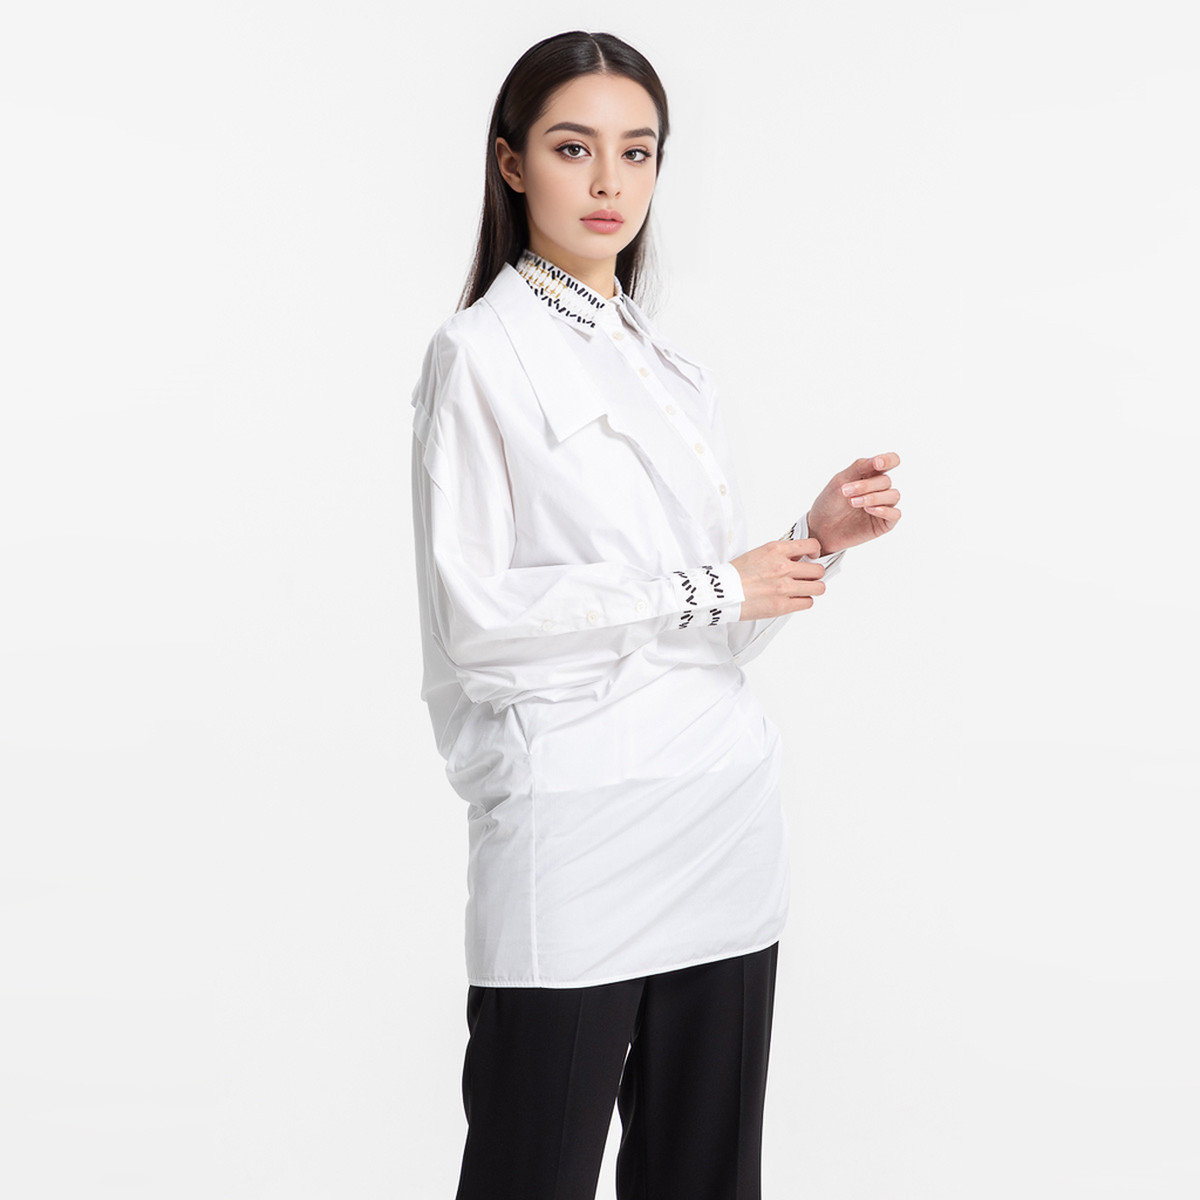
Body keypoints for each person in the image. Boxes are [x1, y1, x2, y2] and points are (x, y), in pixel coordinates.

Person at [410, 29, 902, 1200]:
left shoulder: (671, 370)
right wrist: (712, 585)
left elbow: (710, 637)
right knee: (529, 1175)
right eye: (573, 147)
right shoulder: (478, 356)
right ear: (512, 162)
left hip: (722, 822)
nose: (609, 182)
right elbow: (480, 622)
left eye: (636, 152)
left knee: (705, 1179)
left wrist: (811, 542)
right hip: (574, 830)